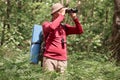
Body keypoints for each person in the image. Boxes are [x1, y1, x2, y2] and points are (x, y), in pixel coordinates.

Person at [42, 3, 83, 73]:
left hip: (62, 60)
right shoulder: (46, 24)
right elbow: (52, 27)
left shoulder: (64, 27)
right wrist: (61, 16)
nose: (64, 14)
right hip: (49, 59)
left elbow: (79, 31)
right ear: (54, 13)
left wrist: (75, 19)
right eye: (61, 11)